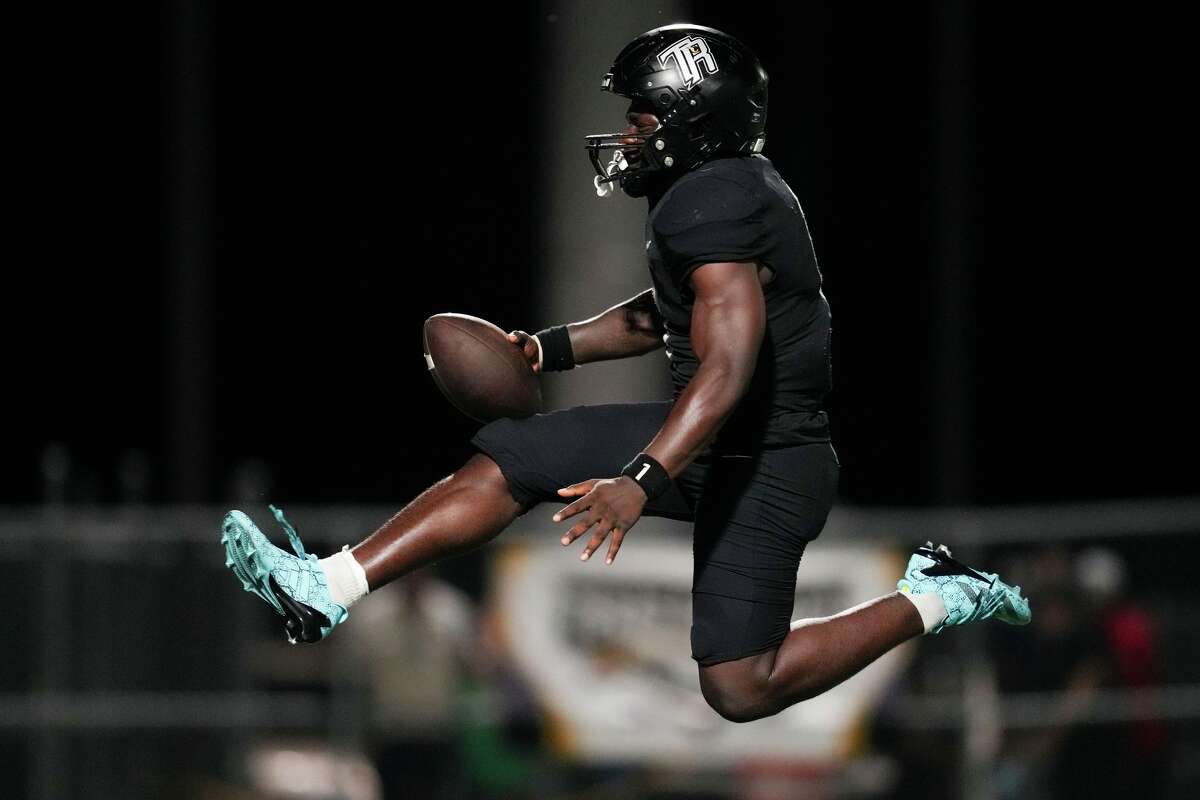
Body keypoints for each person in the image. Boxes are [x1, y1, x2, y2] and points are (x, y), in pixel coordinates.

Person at [221, 23, 1031, 723]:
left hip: (767, 458)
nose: (628, 134)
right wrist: (548, 348)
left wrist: (642, 479)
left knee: (741, 687)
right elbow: (665, 312)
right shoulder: (713, 194)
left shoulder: (711, 202)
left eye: (641, 117)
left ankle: (936, 594)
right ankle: (327, 584)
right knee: (515, 455)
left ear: (691, 122)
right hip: (732, 439)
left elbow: (728, 367)